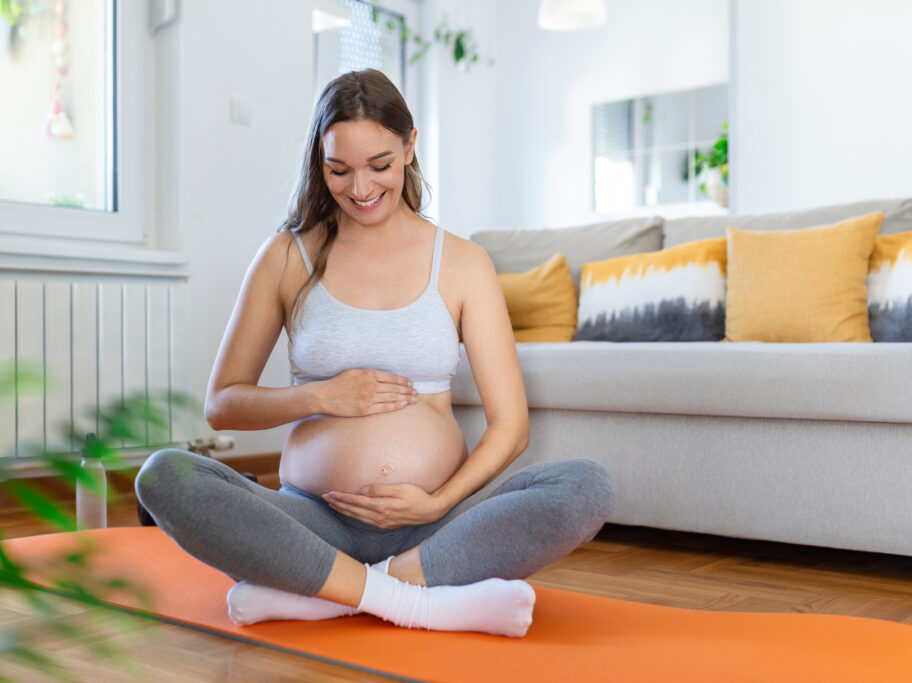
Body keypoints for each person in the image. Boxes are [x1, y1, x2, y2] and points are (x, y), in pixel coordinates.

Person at [136, 69, 616, 638]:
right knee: (163, 475)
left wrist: (437, 504)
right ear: (320, 159)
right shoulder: (287, 257)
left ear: (410, 146)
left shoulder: (462, 262)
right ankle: (414, 599)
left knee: (587, 485)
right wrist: (319, 395)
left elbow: (511, 427)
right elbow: (223, 404)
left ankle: (330, 592)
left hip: (435, 526)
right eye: (339, 170)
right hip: (311, 521)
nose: (360, 189)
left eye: (379, 166)